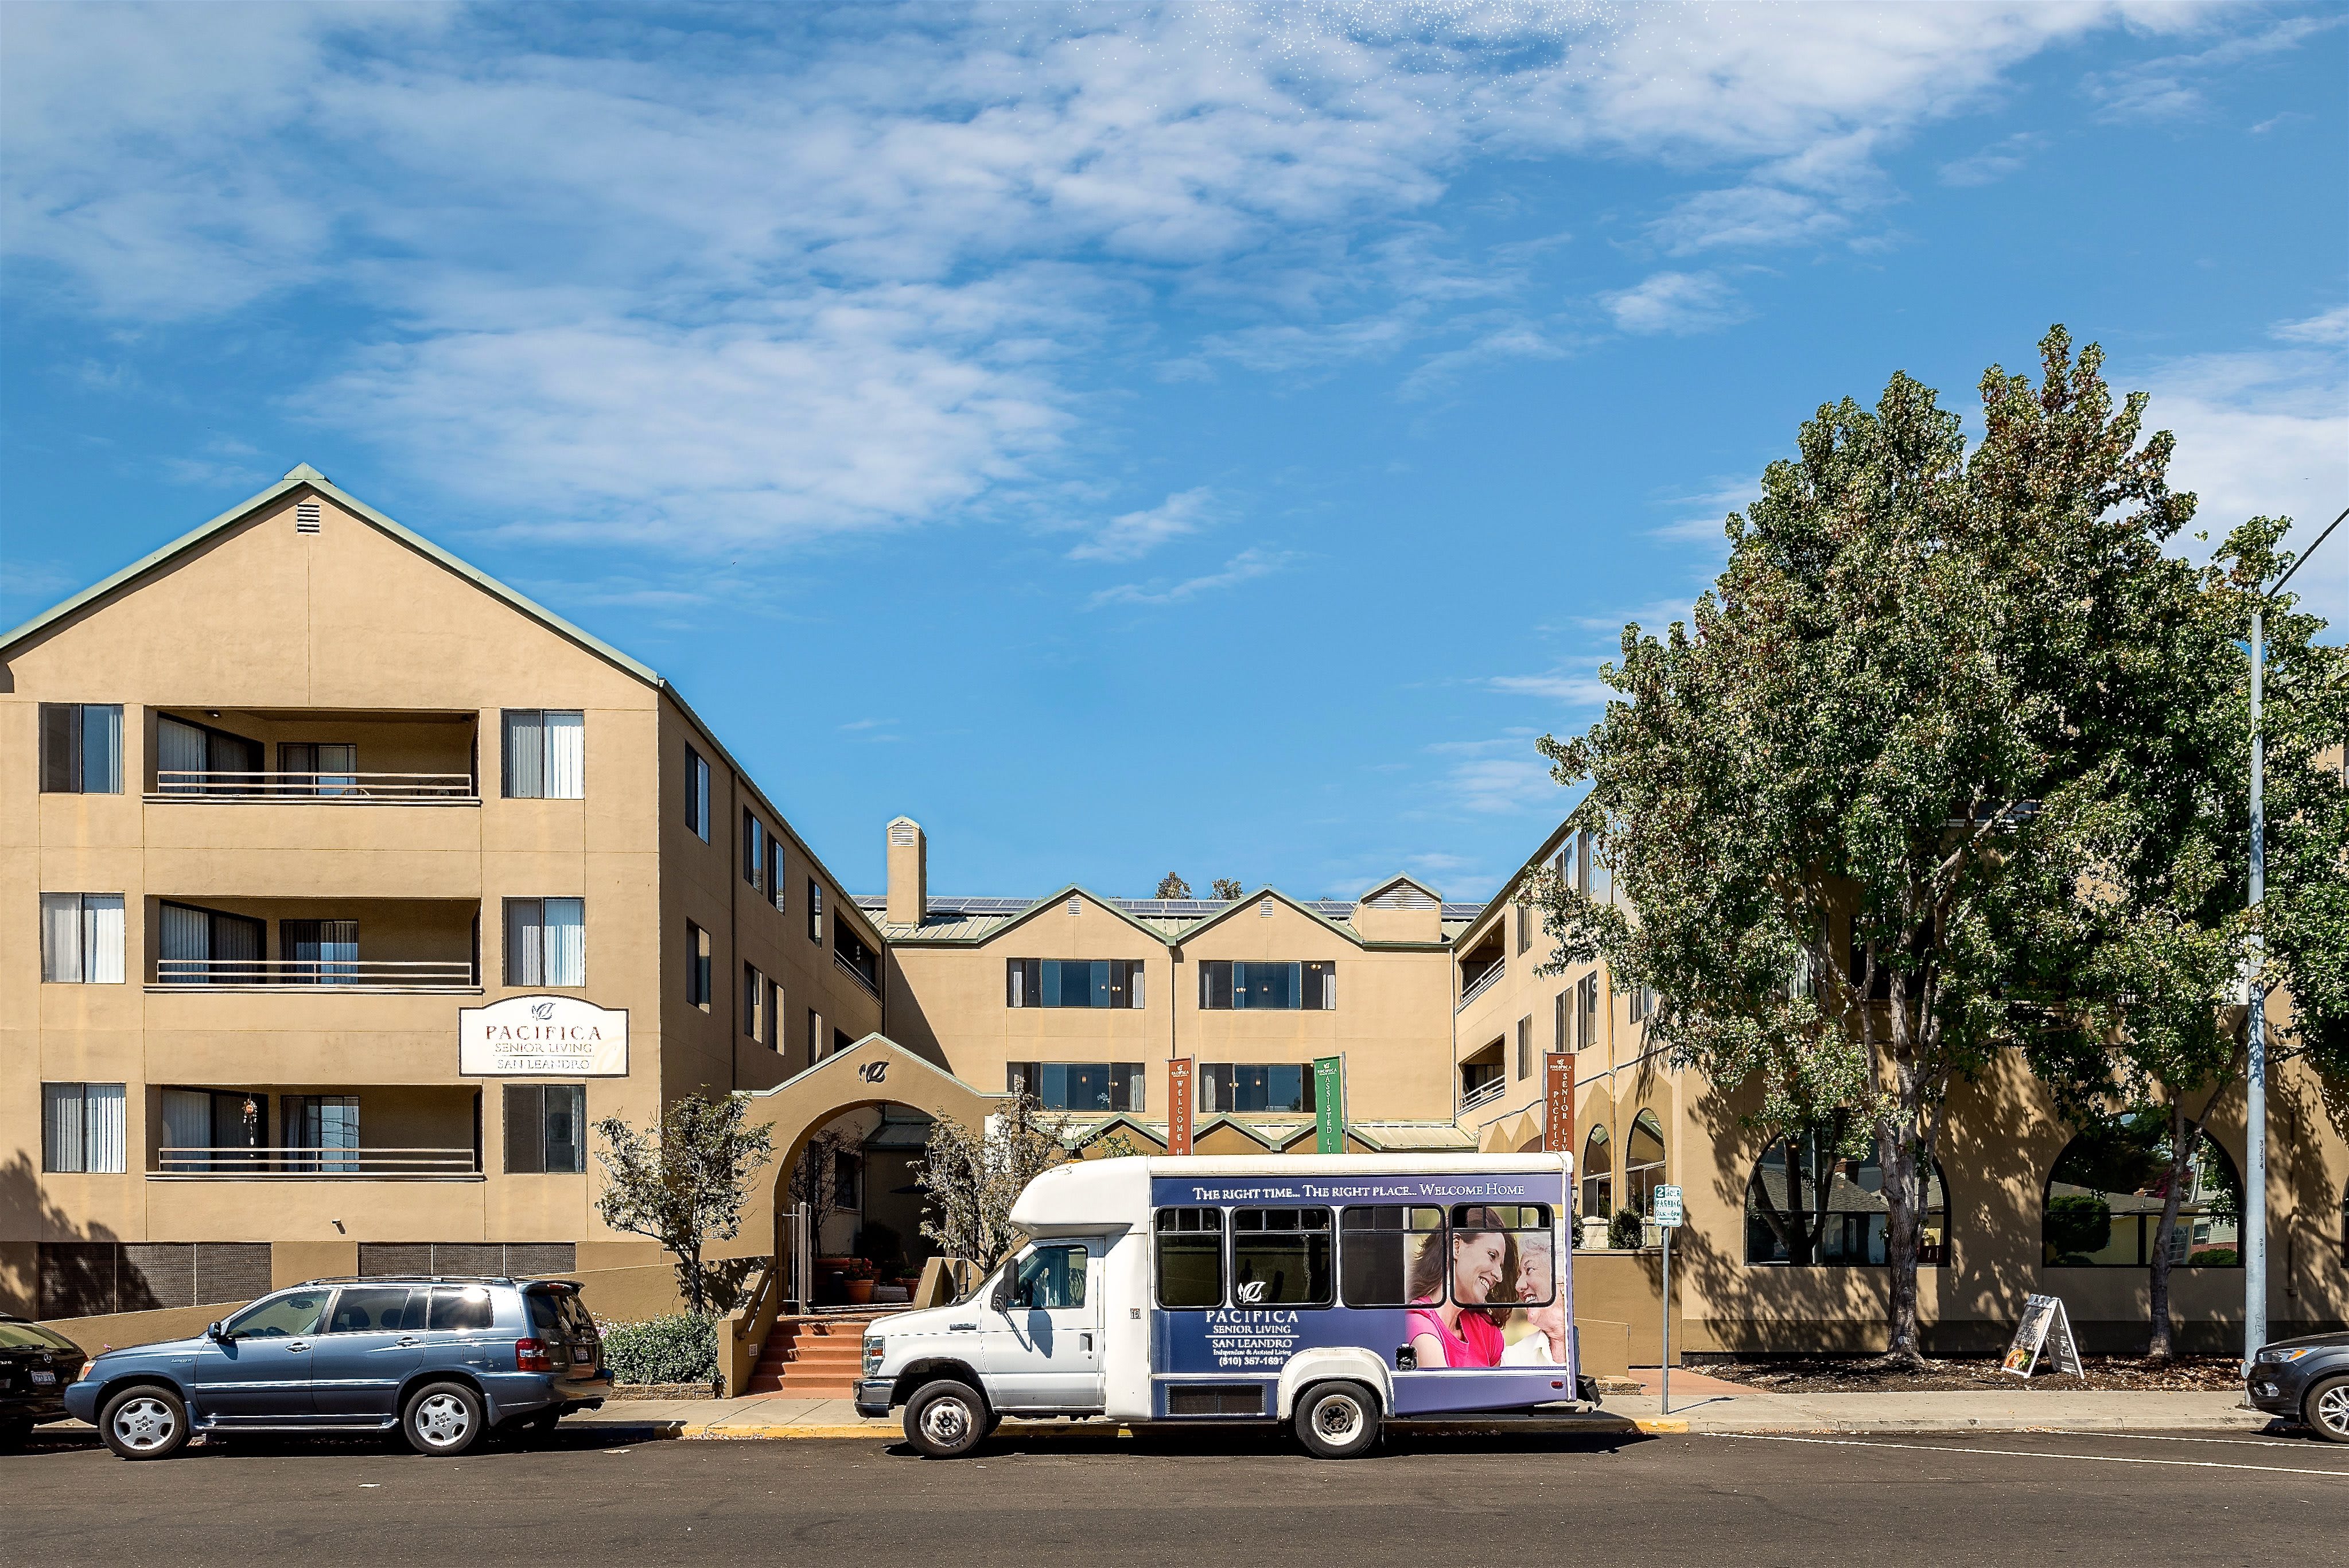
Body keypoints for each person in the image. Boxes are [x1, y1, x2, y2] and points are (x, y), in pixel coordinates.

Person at [1404, 1211, 1517, 1368]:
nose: (1499, 1276)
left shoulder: (1486, 1332)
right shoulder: (1419, 1326)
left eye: (1501, 1267)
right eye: (1492, 1256)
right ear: (1457, 1246)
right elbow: (1445, 1393)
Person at [1500, 1235, 1567, 1365]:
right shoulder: (1515, 1358)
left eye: (1529, 1270)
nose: (1518, 1286)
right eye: (1519, 1275)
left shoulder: (1595, 1342)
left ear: (1562, 1278)